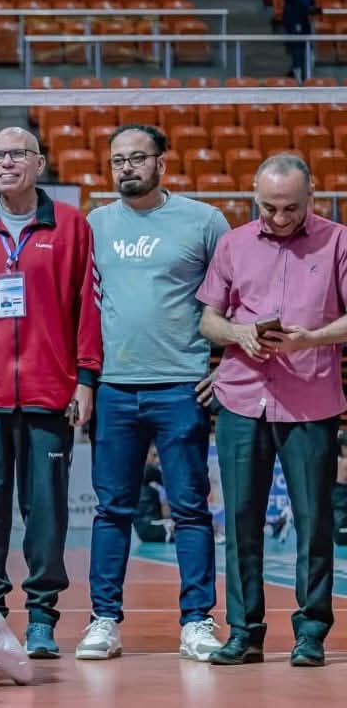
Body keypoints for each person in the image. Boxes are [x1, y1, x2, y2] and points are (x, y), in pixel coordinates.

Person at [0, 126, 101, 660]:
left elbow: (87, 307)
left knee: (47, 512)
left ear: (39, 164)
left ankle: (41, 616)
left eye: (18, 154)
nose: (6, 163)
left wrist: (85, 378)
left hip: (49, 395)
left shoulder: (71, 226)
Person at [78, 125, 226, 662]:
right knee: (111, 509)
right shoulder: (95, 224)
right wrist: (85, 380)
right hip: (115, 388)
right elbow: (82, 308)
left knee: (190, 509)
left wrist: (226, 369)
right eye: (118, 160)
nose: (127, 168)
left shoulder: (205, 221)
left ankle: (197, 620)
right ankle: (103, 619)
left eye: (137, 158)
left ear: (161, 162)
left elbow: (237, 298)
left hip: (182, 386)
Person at [196, 153, 347, 668]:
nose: (279, 218)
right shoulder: (233, 244)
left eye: (290, 208)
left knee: (314, 522)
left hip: (310, 403)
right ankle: (245, 633)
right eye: (268, 207)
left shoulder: (338, 242)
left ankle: (311, 633)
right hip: (241, 400)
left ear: (311, 197)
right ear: (254, 198)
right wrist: (238, 333)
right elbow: (209, 320)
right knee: (240, 521)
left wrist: (312, 338)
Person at [281, 0, 322, 80]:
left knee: (306, 44)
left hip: (304, 16)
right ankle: (297, 71)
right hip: (293, 16)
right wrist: (303, 7)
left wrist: (313, 5)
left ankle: (300, 72)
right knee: (297, 45)